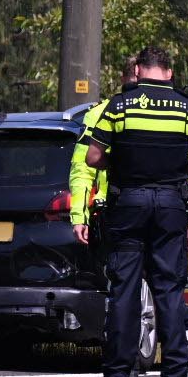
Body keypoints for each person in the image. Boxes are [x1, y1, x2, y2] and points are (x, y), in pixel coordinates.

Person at [84, 46, 188, 377]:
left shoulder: (120, 106)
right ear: (170, 73)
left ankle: (117, 376)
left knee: (124, 288)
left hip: (127, 202)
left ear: (139, 70)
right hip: (171, 204)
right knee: (169, 289)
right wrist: (174, 169)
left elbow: (94, 157)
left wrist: (123, 164)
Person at [70, 56, 140, 239]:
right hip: (112, 212)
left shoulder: (168, 113)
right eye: (131, 87)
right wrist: (80, 216)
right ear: (123, 80)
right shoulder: (98, 114)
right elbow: (82, 169)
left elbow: (186, 175)